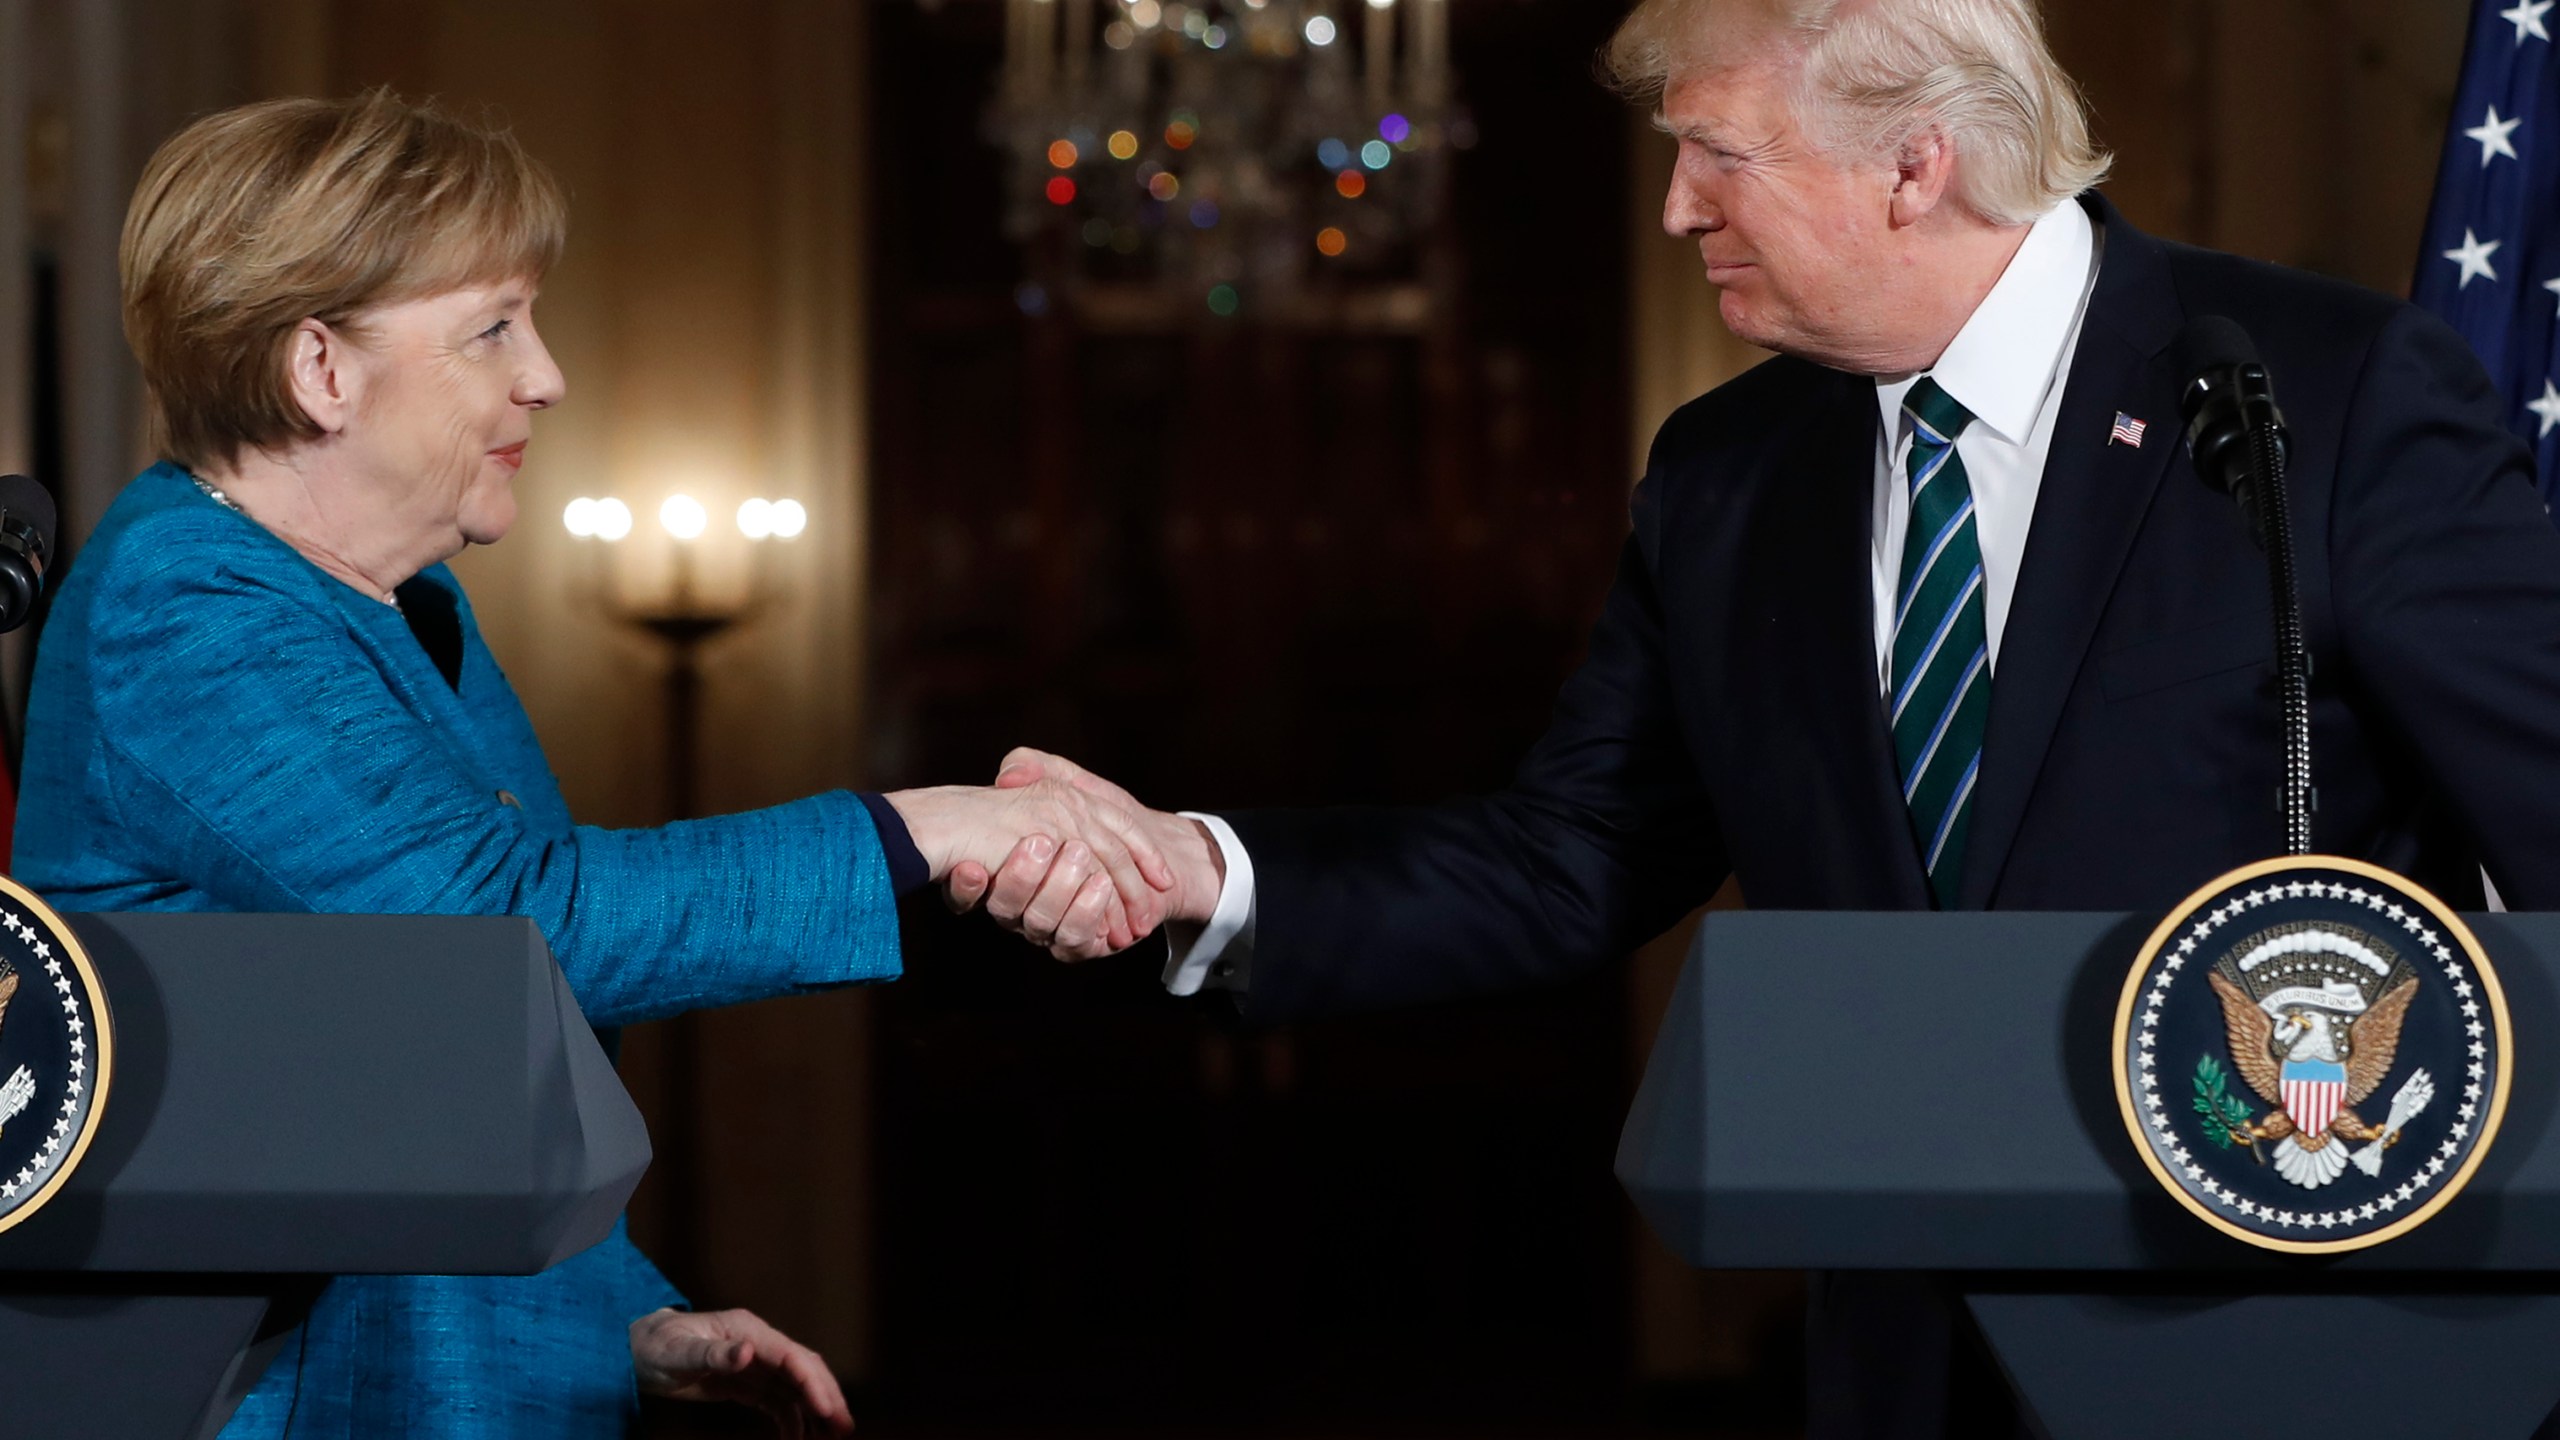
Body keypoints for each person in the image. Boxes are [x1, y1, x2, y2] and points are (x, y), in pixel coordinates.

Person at [952, 0, 2560, 1434]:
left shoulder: (2329, 394)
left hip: (2302, 1339)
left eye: (1717, 153)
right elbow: (1569, 854)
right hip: (1901, 1351)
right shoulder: (1730, 473)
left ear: (1915, 164)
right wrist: (1202, 874)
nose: (1674, 206)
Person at [11, 91, 1170, 1438]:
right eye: (494, 327)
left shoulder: (401, 599)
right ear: (319, 370)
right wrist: (925, 831)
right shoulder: (186, 611)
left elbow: (435, 1068)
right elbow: (515, 929)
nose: (546, 374)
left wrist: (631, 1322)